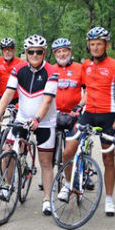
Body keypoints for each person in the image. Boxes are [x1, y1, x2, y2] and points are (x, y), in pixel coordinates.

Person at [56, 28, 115, 216]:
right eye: (92, 44)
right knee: (68, 152)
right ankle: (69, 184)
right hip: (88, 115)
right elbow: (87, 92)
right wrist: (79, 106)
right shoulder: (85, 65)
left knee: (108, 159)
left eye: (99, 44)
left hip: (108, 116)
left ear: (106, 45)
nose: (95, 47)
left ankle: (109, 199)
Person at [0, 35, 58, 216]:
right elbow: (8, 93)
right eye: (31, 51)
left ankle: (46, 199)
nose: (34, 55)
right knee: (8, 150)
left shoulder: (51, 71)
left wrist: (37, 119)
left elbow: (47, 101)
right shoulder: (18, 70)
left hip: (44, 121)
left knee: (46, 162)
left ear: (44, 53)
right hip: (22, 118)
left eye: (38, 51)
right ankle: (6, 184)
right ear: (26, 52)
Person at [51, 37, 84, 192]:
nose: (62, 54)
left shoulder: (80, 68)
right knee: (49, 149)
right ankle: (55, 176)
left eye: (65, 51)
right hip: (55, 114)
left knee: (74, 149)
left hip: (74, 114)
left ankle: (83, 173)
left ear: (70, 52)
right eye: (59, 52)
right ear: (54, 54)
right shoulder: (50, 69)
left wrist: (79, 106)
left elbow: (88, 90)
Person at [0, 38, 23, 161]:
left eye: (10, 49)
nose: (7, 52)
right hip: (1, 97)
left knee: (19, 124)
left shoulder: (20, 62)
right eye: (5, 49)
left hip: (16, 98)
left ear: (14, 50)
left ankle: (17, 147)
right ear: (2, 51)